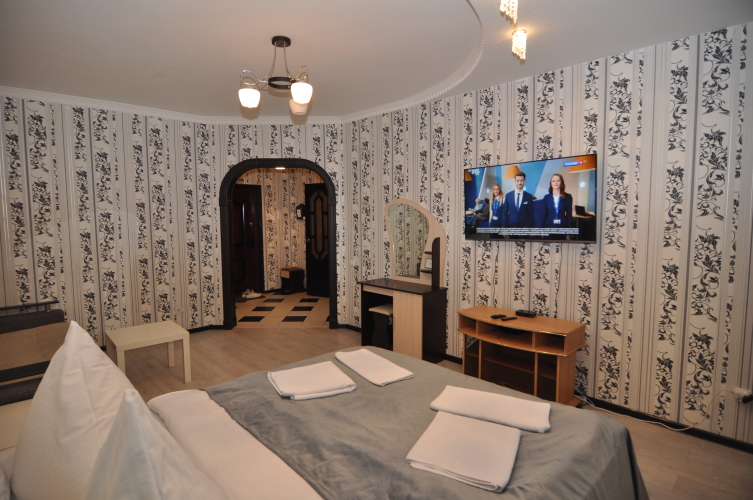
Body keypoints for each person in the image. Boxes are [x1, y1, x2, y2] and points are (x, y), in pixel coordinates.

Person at [542, 173, 573, 239]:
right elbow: (543, 215)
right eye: (553, 181)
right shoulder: (546, 197)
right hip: (548, 228)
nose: (555, 183)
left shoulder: (568, 197)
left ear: (561, 183)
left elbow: (569, 216)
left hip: (562, 228)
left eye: (558, 181)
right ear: (551, 183)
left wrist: (568, 233)